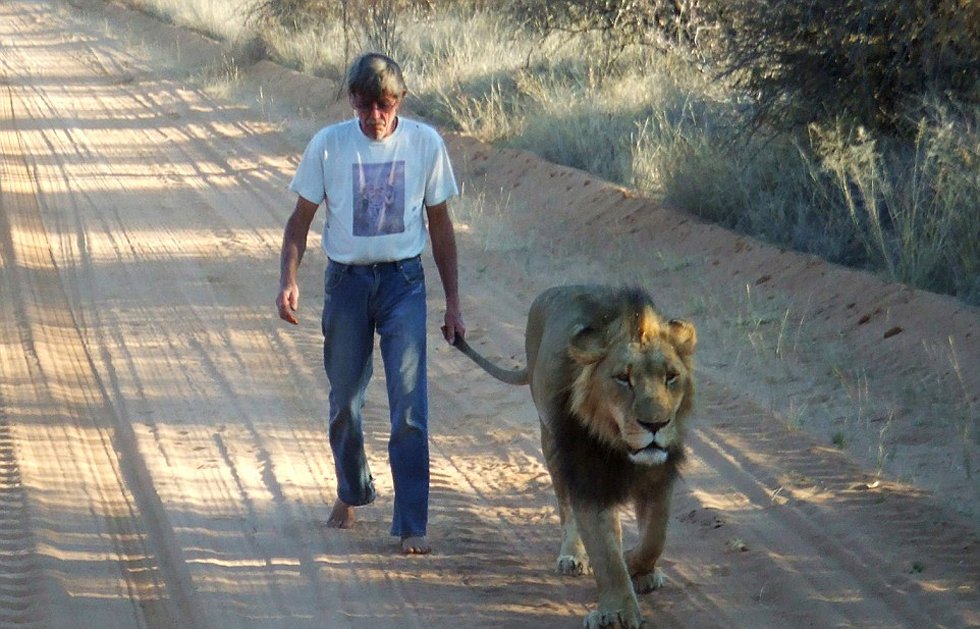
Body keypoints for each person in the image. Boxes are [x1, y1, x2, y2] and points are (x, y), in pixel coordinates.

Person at [276, 52, 465, 555]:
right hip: (347, 284)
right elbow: (299, 222)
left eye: (384, 106)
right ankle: (351, 491)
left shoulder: (425, 144)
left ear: (399, 101)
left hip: (404, 282)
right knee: (344, 403)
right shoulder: (329, 146)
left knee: (409, 408)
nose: (374, 118)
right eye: (364, 107)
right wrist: (288, 279)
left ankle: (410, 523)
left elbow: (441, 227)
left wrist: (453, 303)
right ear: (352, 102)